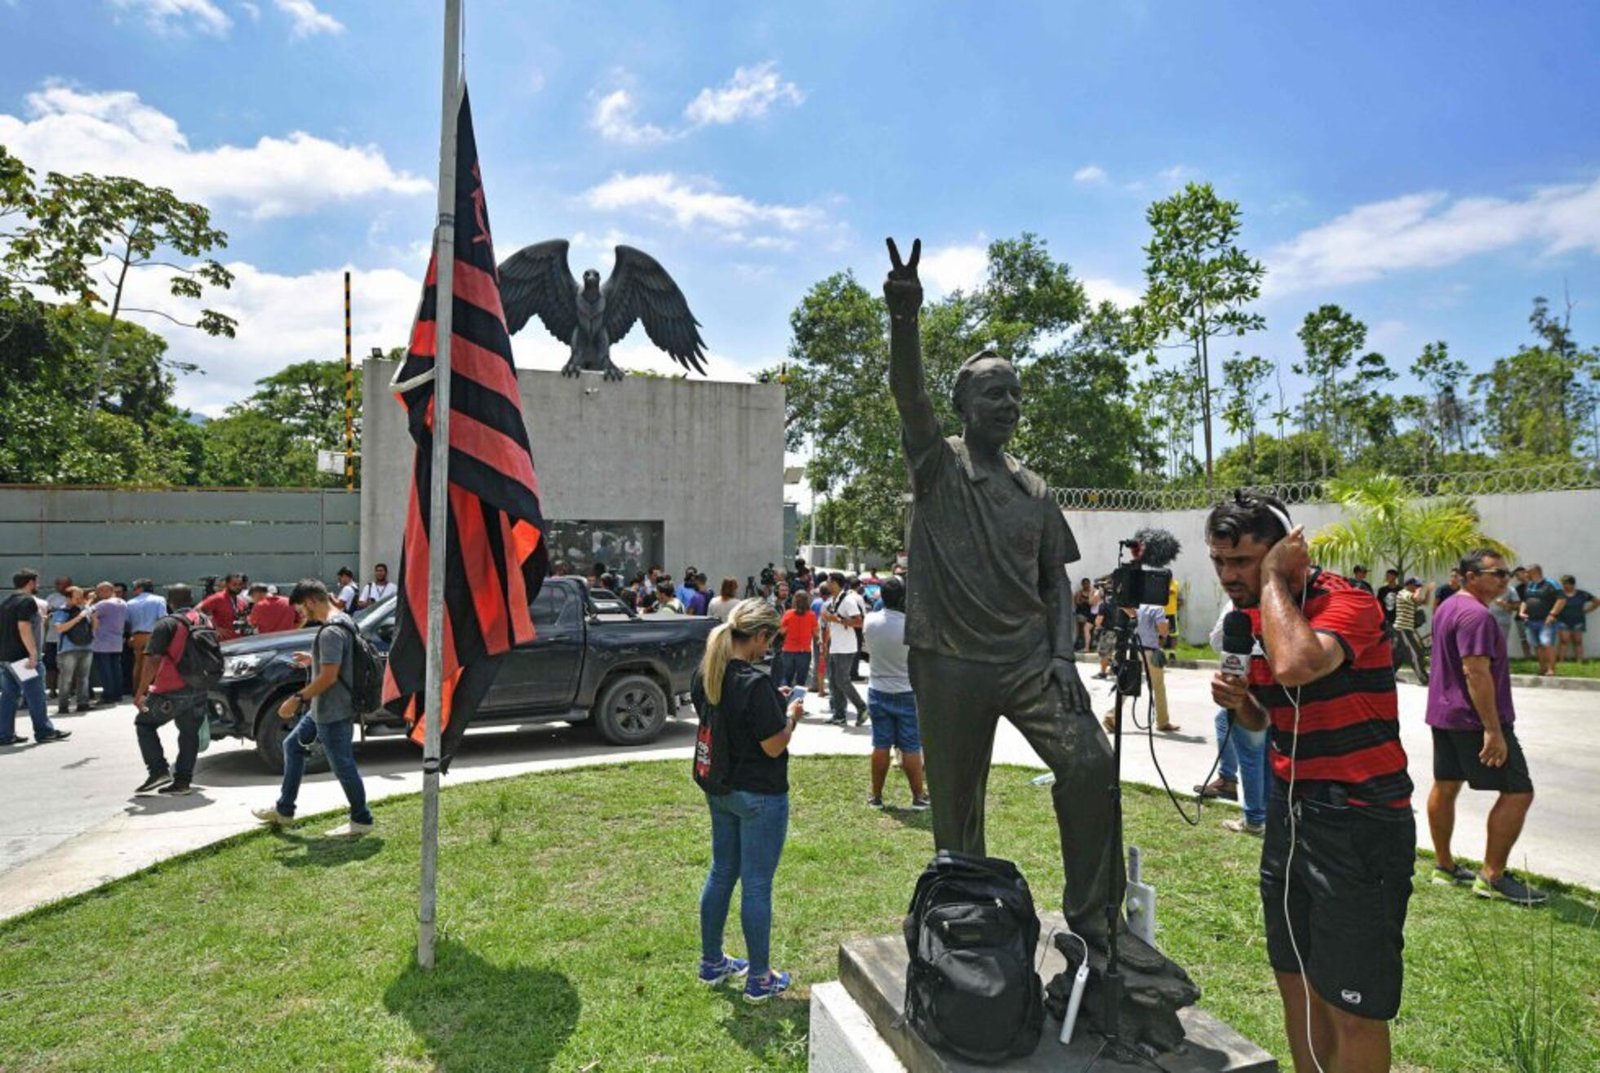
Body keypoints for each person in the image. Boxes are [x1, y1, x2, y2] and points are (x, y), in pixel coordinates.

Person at [884, 238, 1128, 960]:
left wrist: (1063, 656)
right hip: (950, 660)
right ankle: (966, 937)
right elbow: (909, 394)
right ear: (962, 404)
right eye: (995, 393)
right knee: (958, 814)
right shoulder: (940, 465)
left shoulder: (1035, 490)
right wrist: (906, 317)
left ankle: (1095, 924)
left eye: (1017, 394)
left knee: (1089, 763)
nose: (1010, 405)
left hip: (1027, 659)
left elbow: (1055, 581)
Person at [1207, 492, 1411, 1073]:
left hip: (1359, 818)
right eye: (1220, 562)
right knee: (1298, 984)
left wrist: (1271, 579)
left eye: (1244, 561)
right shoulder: (1248, 621)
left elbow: (1297, 663)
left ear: (1287, 553)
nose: (1229, 576)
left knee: (1353, 1005)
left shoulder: (1349, 602)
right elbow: (1265, 719)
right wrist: (1243, 703)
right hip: (1290, 815)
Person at [692, 598, 804, 1003]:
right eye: (770, 639)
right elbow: (774, 746)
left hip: (720, 788)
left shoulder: (709, 672)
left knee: (722, 872)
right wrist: (790, 715)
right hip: (759, 794)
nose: (770, 647)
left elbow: (729, 716)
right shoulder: (754, 684)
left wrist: (774, 702)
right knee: (757, 884)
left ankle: (712, 961)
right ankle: (760, 977)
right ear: (758, 637)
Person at [1424, 550, 1546, 907]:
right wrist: (1492, 730)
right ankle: (1492, 876)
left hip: (1445, 716)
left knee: (1446, 785)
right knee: (1518, 791)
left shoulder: (1449, 606)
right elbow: (1475, 671)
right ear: (1469, 575)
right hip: (1474, 720)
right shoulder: (1476, 615)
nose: (1504, 580)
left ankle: (1444, 867)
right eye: (1496, 574)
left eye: (1506, 574)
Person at [251, 579, 374, 837]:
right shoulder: (344, 619)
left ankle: (361, 819)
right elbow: (340, 661)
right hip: (326, 707)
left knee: (342, 765)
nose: (300, 615)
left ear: (310, 601)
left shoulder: (330, 631)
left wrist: (296, 698)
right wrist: (313, 659)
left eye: (300, 610)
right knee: (292, 746)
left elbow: (329, 677)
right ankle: (284, 811)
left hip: (333, 709)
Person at [1194, 600, 1270, 836]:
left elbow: (1216, 641)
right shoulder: (1286, 603)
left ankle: (1255, 818)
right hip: (1277, 691)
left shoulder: (1236, 607)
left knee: (1250, 757)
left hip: (1246, 692)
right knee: (1265, 754)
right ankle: (1230, 782)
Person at [131, 584, 211, 795]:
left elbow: (153, 660)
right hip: (200, 686)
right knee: (189, 733)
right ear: (191, 598)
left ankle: (158, 771)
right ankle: (183, 782)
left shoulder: (167, 623)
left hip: (171, 688)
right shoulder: (204, 620)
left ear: (170, 601)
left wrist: (141, 691)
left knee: (144, 724)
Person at [862, 577, 929, 810]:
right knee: (910, 745)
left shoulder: (870, 621)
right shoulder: (913, 626)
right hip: (907, 689)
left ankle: (876, 797)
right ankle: (918, 797)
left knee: (880, 744)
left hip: (878, 688)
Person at [1, 569, 71, 745]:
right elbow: (23, 627)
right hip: (23, 659)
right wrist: (33, 654)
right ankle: (44, 731)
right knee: (36, 695)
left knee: (9, 696)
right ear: (31, 582)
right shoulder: (27, 601)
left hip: (6, 657)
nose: (38, 586)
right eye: (37, 582)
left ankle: (4, 734)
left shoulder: (6, 602)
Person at [819, 572, 867, 726]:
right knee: (833, 681)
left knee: (842, 680)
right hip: (835, 646)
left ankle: (861, 707)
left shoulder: (848, 601)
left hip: (846, 647)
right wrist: (826, 644)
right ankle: (839, 714)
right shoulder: (834, 600)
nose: (826, 584)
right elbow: (830, 626)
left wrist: (837, 619)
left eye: (828, 581)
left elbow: (859, 622)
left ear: (835, 583)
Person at [50, 587, 95, 716]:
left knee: (84, 678)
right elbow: (59, 628)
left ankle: (83, 704)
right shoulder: (62, 611)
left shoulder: (84, 610)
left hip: (86, 647)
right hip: (68, 650)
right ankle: (63, 706)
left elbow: (95, 627)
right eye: (76, 598)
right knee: (66, 679)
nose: (79, 600)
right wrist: (78, 617)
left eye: (81, 597)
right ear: (68, 598)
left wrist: (93, 616)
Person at [1518, 564, 1562, 677]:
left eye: (1527, 572)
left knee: (1546, 643)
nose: (1525, 574)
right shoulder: (1529, 585)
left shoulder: (1551, 583)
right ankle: (1542, 668)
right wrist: (1521, 611)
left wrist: (1553, 614)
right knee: (1537, 645)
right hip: (1531, 621)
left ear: (1534, 572)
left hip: (1546, 621)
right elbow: (1525, 600)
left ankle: (1551, 669)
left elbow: (1562, 599)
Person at [88, 581, 128, 706]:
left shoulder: (103, 604)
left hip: (102, 641)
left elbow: (87, 614)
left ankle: (108, 695)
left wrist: (89, 601)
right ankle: (117, 693)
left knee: (105, 670)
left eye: (99, 591)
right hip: (116, 641)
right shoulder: (122, 603)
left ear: (106, 591)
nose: (97, 594)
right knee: (116, 668)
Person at [124, 579, 167, 693]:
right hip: (153, 634)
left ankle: (136, 689)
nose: (133, 591)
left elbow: (127, 621)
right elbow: (162, 617)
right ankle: (150, 689)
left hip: (136, 635)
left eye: (134, 588)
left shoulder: (130, 603)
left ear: (140, 588)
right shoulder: (159, 600)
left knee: (137, 663)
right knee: (153, 663)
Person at [775, 591, 817, 691]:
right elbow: (815, 633)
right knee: (801, 681)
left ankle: (784, 702)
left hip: (788, 649)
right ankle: (798, 702)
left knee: (786, 677)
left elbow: (781, 631)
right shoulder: (811, 615)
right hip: (804, 651)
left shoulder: (788, 614)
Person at [1393, 577, 1430, 685]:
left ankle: (1389, 676)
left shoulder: (1410, 596)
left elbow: (1424, 602)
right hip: (1402, 629)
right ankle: (1424, 679)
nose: (1417, 588)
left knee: (1398, 656)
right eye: (1415, 585)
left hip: (1404, 629)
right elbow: (1415, 598)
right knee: (1416, 653)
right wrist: (1419, 589)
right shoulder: (1403, 593)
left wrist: (1427, 591)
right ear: (1409, 585)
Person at [1555, 574, 1597, 663]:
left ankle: (1579, 661)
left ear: (1572, 584)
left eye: (1565, 584)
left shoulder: (1582, 594)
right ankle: (1561, 661)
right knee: (1563, 641)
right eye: (1563, 584)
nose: (1564, 586)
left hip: (1578, 621)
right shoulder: (1560, 594)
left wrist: (1587, 610)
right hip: (1563, 620)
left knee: (1578, 641)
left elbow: (1597, 601)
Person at [198, 574, 249, 644]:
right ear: (227, 584)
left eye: (240, 584)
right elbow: (198, 612)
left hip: (239, 641)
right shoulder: (217, 598)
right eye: (234, 584)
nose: (238, 587)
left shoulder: (242, 601)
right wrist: (215, 628)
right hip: (222, 643)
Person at [1073, 577, 1095, 651]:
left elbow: (1093, 602)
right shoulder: (1079, 593)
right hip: (1081, 613)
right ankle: (1080, 644)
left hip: (1090, 613)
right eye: (1084, 584)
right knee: (1081, 630)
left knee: (1090, 630)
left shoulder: (1093, 592)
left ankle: (1089, 644)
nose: (1086, 585)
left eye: (1087, 583)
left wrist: (1086, 601)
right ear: (1082, 585)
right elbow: (1077, 602)